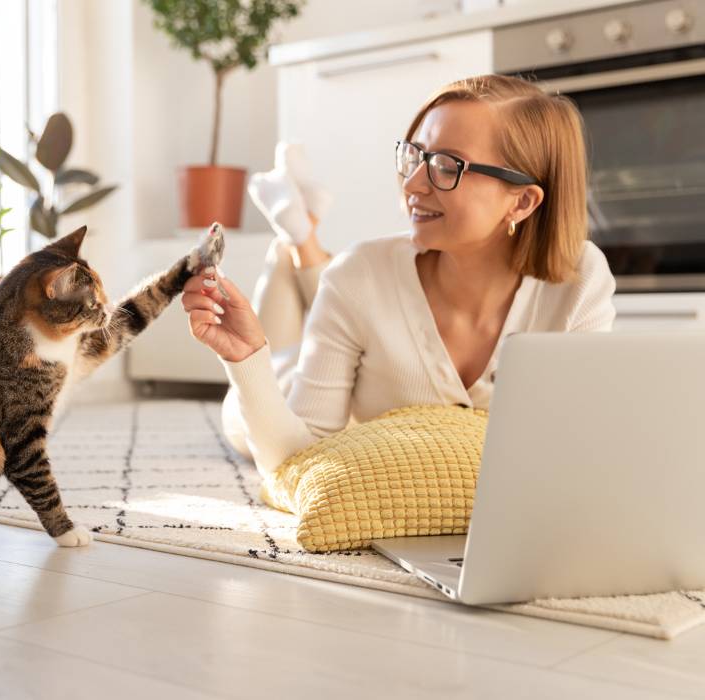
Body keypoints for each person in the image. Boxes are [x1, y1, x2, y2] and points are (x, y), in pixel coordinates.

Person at [180, 74, 616, 476]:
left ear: (521, 203)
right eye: (415, 157)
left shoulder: (579, 282)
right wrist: (245, 357)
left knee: (342, 285)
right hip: (287, 383)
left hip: (348, 320)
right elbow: (298, 462)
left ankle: (299, 232)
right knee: (252, 401)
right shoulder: (359, 272)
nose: (412, 185)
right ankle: (293, 240)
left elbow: (577, 451)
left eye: (448, 166)